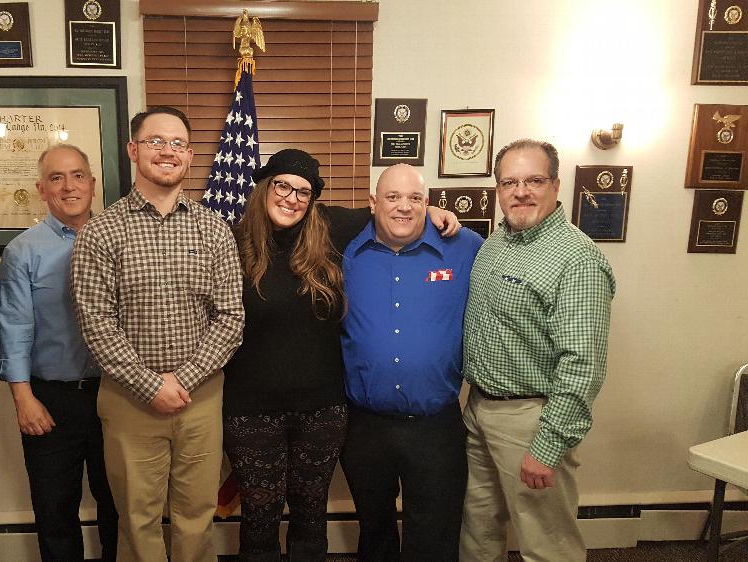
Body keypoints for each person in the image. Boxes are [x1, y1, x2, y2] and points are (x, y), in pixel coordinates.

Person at [223, 152, 461, 562]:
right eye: (282, 186)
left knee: (311, 515)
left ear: (314, 199)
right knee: (259, 517)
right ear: (264, 188)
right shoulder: (231, 242)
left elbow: (395, 211)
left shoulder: (331, 231)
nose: (292, 198)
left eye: (303, 191)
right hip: (251, 411)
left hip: (322, 410)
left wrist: (431, 209)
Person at [71, 106, 245, 562]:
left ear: (189, 157)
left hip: (200, 398)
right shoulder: (101, 231)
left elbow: (230, 318)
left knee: (196, 514)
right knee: (137, 517)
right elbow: (96, 323)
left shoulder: (215, 229)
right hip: (130, 401)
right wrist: (151, 385)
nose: (167, 152)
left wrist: (182, 380)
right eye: (155, 142)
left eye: (177, 145)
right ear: (133, 150)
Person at [459, 139, 615, 562]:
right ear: (498, 189)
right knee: (477, 530)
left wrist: (547, 445)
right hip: (477, 409)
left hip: (531, 417)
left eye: (534, 180)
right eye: (509, 182)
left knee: (547, 544)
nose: (521, 191)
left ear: (556, 185)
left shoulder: (577, 258)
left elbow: (582, 366)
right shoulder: (494, 243)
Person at [339, 163, 483, 562]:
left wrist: (436, 215)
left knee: (435, 535)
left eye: (415, 198)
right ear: (372, 203)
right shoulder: (343, 248)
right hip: (365, 426)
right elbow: (303, 211)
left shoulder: (465, 247)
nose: (403, 207)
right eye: (393, 197)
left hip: (435, 426)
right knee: (375, 530)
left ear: (429, 203)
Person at [0, 144, 118, 561]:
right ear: (41, 189)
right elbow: (14, 328)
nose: (69, 186)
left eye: (78, 175)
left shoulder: (121, 242)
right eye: (57, 178)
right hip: (51, 400)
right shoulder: (22, 251)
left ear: (93, 184)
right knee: (55, 511)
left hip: (117, 395)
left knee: (120, 506)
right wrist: (23, 399)